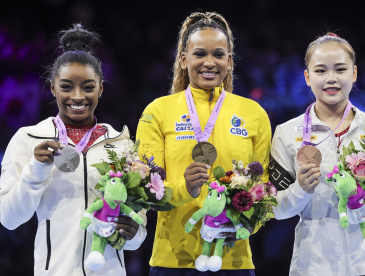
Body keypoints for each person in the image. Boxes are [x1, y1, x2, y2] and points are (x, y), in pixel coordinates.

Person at [0, 24, 146, 276]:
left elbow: (137, 232)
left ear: (100, 88)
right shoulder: (28, 139)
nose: (77, 96)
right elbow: (9, 219)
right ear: (52, 87)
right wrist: (35, 171)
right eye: (66, 87)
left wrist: (133, 233)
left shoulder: (122, 143)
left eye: (88, 87)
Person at [136, 11, 271, 276]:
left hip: (233, 259)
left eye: (218, 54)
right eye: (199, 54)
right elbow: (146, 189)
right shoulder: (157, 112)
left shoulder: (254, 113)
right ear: (184, 59)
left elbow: (264, 191)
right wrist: (184, 188)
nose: (209, 62)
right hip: (172, 260)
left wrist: (243, 225)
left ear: (229, 61)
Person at [269, 33, 365, 276]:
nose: (331, 78)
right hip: (314, 266)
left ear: (354, 74)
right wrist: (300, 189)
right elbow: (276, 208)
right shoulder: (286, 132)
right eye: (321, 71)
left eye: (340, 69)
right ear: (307, 77)